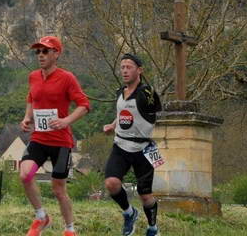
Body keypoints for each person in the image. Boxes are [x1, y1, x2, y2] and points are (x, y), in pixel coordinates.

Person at [19, 36, 90, 236]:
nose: (40, 55)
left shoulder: (67, 78)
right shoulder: (33, 76)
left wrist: (66, 121)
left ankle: (69, 229)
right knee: (25, 174)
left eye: (45, 51)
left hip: (61, 142)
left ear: (56, 54)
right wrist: (27, 117)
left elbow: (84, 105)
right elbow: (31, 98)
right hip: (39, 138)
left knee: (59, 190)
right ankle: (41, 216)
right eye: (38, 52)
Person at [103, 53, 162, 236]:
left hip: (143, 149)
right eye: (122, 67)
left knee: (145, 196)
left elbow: (155, 114)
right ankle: (129, 213)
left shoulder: (147, 93)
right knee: (111, 183)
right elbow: (123, 113)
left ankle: (152, 227)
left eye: (129, 67)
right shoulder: (120, 93)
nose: (125, 71)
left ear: (139, 70)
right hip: (120, 145)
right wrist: (113, 125)